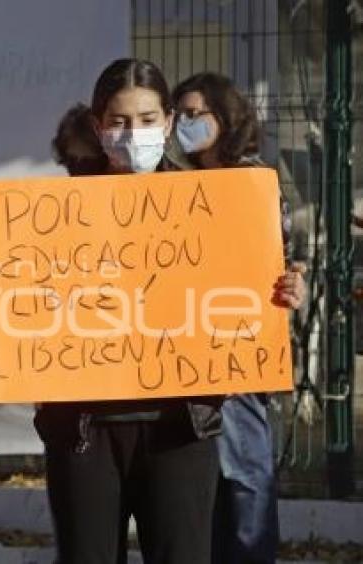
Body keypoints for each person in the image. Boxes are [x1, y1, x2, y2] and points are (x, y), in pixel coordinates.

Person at [0, 58, 305, 564]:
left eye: (145, 120)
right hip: (84, 432)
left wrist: (281, 298)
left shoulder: (213, 208)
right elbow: (23, 314)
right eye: (119, 121)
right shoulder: (52, 217)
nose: (132, 133)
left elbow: (242, 308)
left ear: (167, 123)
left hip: (181, 427)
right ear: (98, 127)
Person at [173, 71, 305, 564]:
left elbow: (281, 262)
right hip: (186, 350)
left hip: (238, 355)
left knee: (246, 475)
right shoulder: (176, 185)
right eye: (178, 114)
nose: (183, 123)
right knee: (209, 481)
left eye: (194, 114)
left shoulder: (254, 185)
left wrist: (294, 286)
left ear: (224, 118)